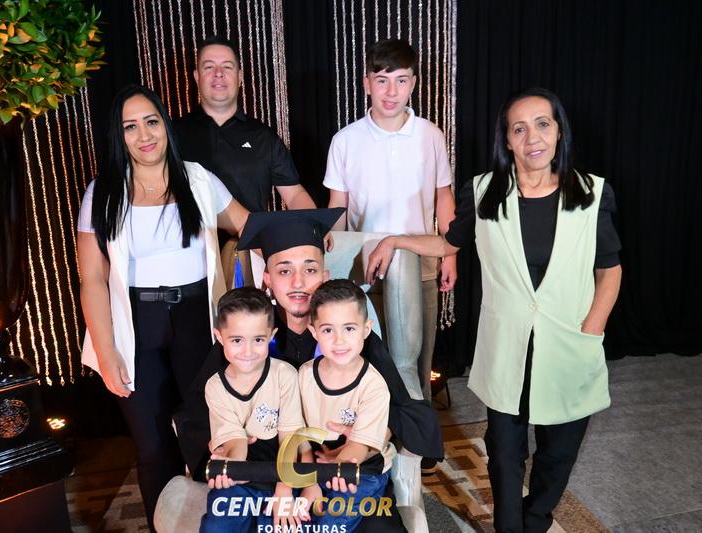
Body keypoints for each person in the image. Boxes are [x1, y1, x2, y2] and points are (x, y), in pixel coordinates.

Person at [366, 87, 622, 533]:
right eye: (519, 129)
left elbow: (610, 270)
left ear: (559, 132)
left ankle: (536, 517)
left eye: (542, 125)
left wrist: (591, 329)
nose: (532, 138)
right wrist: (396, 240)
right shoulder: (484, 192)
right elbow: (448, 243)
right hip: (508, 347)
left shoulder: (592, 194)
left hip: (569, 344)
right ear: (507, 140)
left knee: (559, 452)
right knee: (504, 452)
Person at [174, 208, 441, 532]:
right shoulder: (248, 340)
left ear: (324, 276)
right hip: (265, 474)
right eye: (284, 271)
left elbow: (400, 408)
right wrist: (228, 444)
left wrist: (365, 437)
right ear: (267, 280)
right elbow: (199, 412)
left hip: (343, 472)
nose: (298, 282)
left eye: (310, 269)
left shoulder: (352, 342)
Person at [76, 85, 248, 531]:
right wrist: (106, 351)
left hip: (198, 319)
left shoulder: (197, 178)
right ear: (118, 137)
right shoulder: (102, 192)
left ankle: (214, 525)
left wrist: (300, 239)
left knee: (209, 437)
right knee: (153, 449)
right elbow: (92, 279)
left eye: (151, 122)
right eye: (130, 127)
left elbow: (248, 226)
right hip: (136, 325)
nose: (144, 135)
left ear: (165, 125)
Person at [324, 38, 457, 405]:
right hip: (364, 268)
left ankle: (418, 435)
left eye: (401, 80)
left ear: (413, 83)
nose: (391, 91)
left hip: (422, 264)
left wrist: (451, 254)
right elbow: (338, 206)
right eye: (381, 80)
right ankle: (375, 436)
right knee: (369, 363)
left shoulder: (430, 135)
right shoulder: (345, 141)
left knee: (417, 364)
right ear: (366, 83)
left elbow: (444, 197)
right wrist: (332, 265)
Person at [174, 35, 316, 284]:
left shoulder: (263, 137)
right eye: (209, 67)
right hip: (190, 258)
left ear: (240, 76)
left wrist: (313, 229)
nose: (218, 74)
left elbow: (294, 195)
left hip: (253, 255)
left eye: (227, 67)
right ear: (196, 76)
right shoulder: (172, 136)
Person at [199, 287, 309, 531]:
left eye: (258, 340)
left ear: (271, 335)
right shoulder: (215, 386)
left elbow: (290, 439)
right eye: (237, 340)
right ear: (219, 336)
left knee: (281, 525)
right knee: (216, 525)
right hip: (244, 477)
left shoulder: (284, 375)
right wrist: (232, 469)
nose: (248, 351)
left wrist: (284, 490)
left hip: (282, 474)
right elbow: (235, 440)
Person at [299, 279, 394, 533]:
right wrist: (310, 481)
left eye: (349, 328)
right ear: (314, 332)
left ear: (366, 329)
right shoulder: (304, 375)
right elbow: (298, 434)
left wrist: (338, 468)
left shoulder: (374, 386)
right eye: (328, 330)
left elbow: (358, 447)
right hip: (316, 465)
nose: (339, 340)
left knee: (330, 524)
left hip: (362, 471)